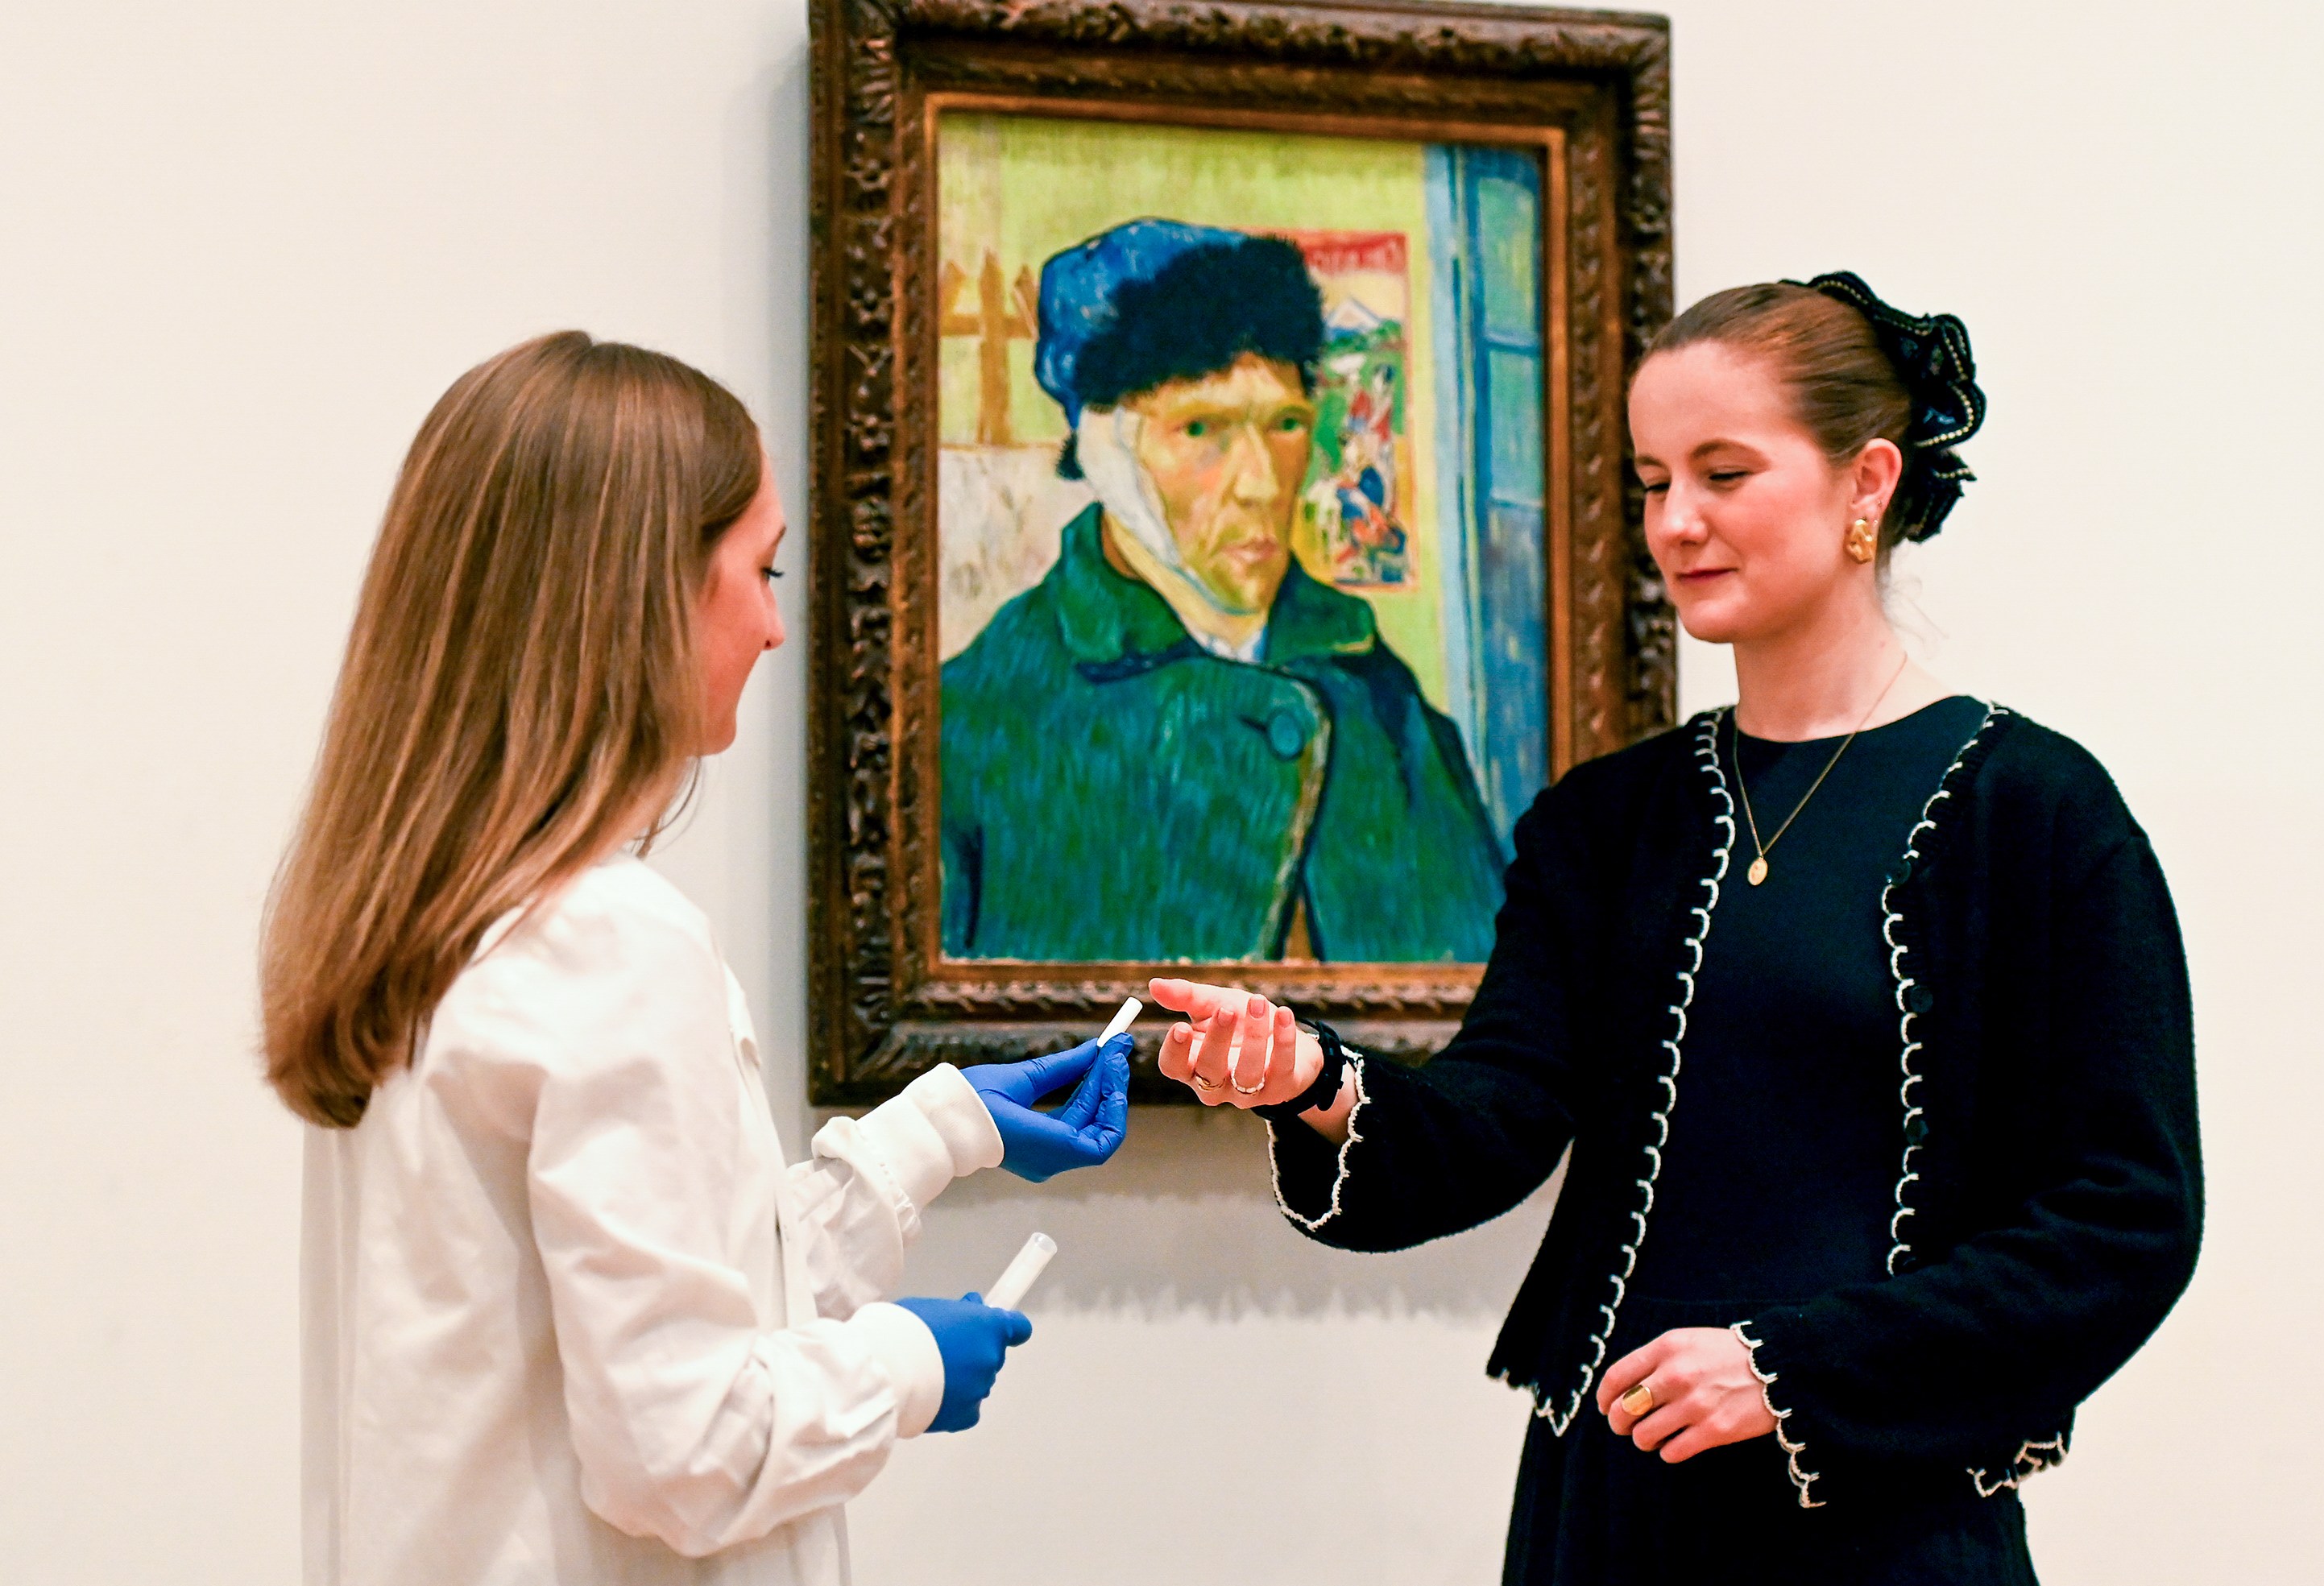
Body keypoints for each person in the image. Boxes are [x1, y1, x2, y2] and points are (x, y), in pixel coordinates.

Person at [1146, 275, 2202, 1583]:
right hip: (1608, 1509)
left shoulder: (2034, 814)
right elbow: (1494, 1118)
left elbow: (2125, 1216)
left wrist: (1789, 1368)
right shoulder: (1605, 821)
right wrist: (1311, 1080)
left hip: (1885, 1526)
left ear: (1863, 481)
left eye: (1722, 471)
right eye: (1651, 481)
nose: (1675, 521)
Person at [261, 332, 1133, 1586]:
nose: (778, 631)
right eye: (762, 571)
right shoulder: (606, 942)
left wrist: (938, 1132)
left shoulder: (431, 925)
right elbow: (685, 1450)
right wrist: (908, 1364)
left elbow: (653, 1306)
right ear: (631, 591)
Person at [938, 218, 1504, 963]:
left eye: (1285, 424)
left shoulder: (1388, 705)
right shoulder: (977, 721)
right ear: (1105, 447)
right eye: (1201, 427)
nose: (1262, 484)